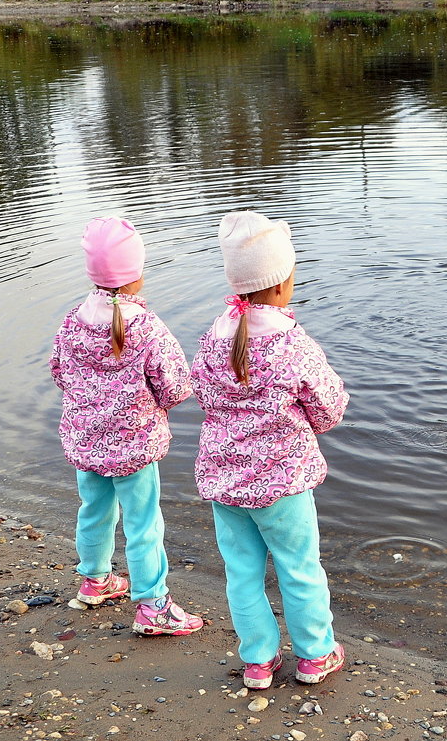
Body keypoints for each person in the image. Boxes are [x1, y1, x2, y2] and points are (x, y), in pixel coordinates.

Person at [191, 211, 349, 689]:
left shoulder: (213, 336)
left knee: (241, 573)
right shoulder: (292, 342)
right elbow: (328, 408)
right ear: (281, 284)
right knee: (298, 567)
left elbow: (199, 388)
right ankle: (314, 654)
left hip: (223, 482)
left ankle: (258, 661)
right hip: (282, 484)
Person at [49, 216, 203, 637]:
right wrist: (151, 405)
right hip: (134, 445)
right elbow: (176, 386)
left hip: (85, 440)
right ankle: (153, 606)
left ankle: (95, 580)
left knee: (93, 509)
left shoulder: (72, 320)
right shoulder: (147, 326)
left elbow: (59, 372)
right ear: (136, 272)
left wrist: (89, 404)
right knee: (143, 523)